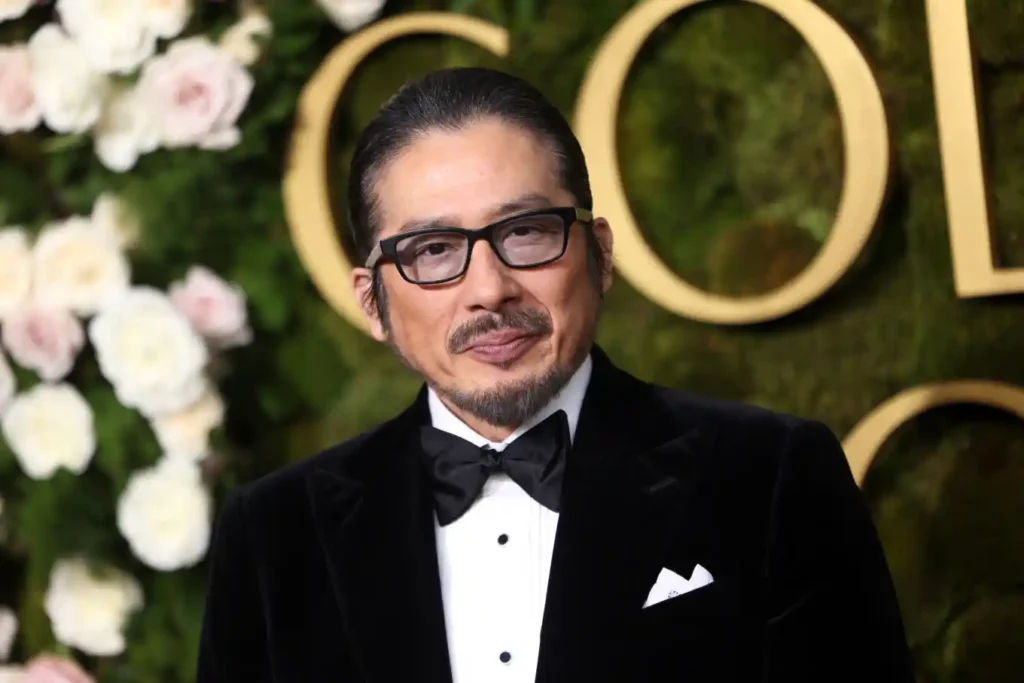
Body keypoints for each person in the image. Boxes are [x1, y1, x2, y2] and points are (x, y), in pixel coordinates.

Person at [196, 67, 914, 683]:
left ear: (600, 254)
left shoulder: (772, 478)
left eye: (526, 233)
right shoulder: (274, 533)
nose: (489, 289)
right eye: (435, 249)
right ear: (373, 302)